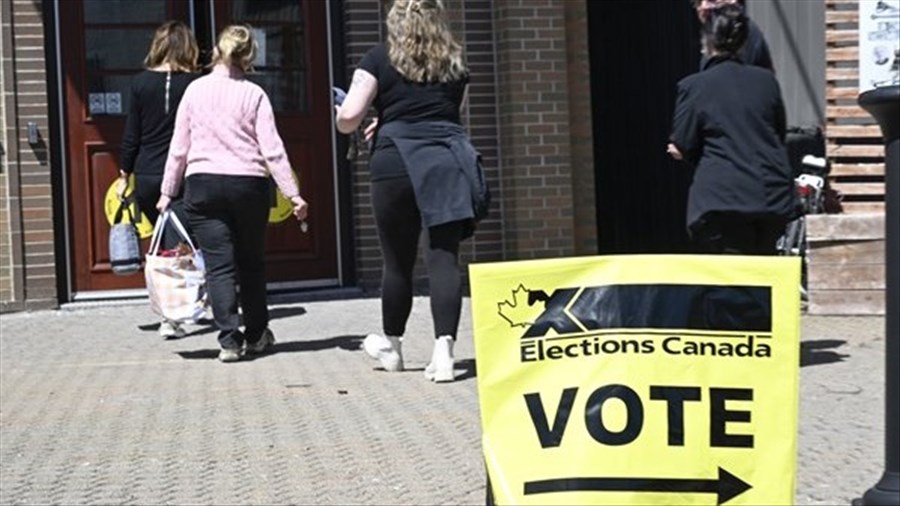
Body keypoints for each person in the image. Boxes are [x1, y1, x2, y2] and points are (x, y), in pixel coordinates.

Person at [335, 0, 477, 383]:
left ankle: (394, 350)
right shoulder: (455, 60)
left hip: (395, 160)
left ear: (395, 22)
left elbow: (348, 118)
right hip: (446, 160)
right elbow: (450, 113)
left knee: (397, 260)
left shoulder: (378, 58)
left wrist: (375, 117)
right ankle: (445, 354)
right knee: (444, 258)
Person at [158, 25, 308, 363]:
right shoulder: (254, 94)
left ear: (216, 51)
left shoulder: (195, 91)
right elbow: (273, 150)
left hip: (204, 184)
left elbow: (179, 148)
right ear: (248, 56)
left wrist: (168, 191)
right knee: (251, 263)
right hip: (248, 185)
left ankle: (229, 340)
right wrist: (293, 194)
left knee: (218, 266)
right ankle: (256, 334)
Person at [667, 3, 799, 255]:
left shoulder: (694, 86)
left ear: (707, 42)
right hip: (771, 196)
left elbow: (683, 141)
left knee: (731, 282)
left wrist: (683, 151)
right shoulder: (766, 82)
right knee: (765, 273)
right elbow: (777, 133)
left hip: (722, 198)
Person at [118, 20, 200, 339]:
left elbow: (131, 136)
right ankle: (172, 316)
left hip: (148, 174)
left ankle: (178, 307)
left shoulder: (139, 84)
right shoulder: (196, 83)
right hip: (181, 174)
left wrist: (125, 173)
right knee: (175, 246)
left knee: (165, 245)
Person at [693, 0, 774, 72]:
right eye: (699, 2)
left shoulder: (743, 32)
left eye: (712, 1)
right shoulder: (708, 33)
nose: (704, 6)